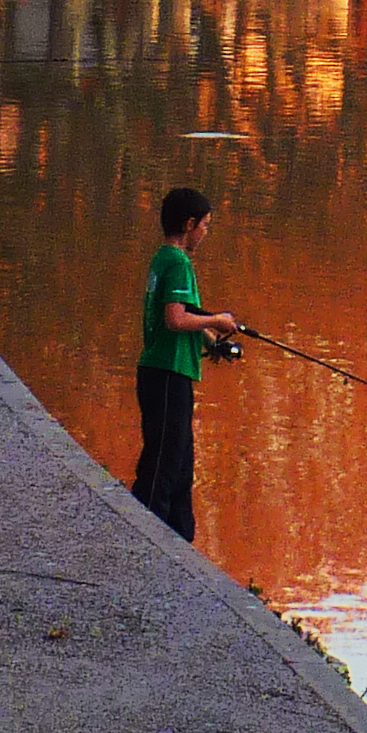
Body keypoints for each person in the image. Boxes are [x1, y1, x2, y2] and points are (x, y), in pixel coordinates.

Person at [132, 186, 239, 545]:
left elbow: (183, 316)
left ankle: (179, 542)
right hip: (166, 374)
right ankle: (146, 537)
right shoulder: (178, 263)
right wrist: (219, 318)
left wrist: (211, 341)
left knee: (180, 463)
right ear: (190, 224)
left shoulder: (162, 258)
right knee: (163, 463)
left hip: (167, 371)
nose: (206, 233)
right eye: (205, 225)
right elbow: (175, 319)